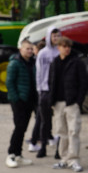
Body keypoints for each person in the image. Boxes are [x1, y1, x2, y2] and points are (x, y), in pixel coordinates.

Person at [48, 37, 88, 172]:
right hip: (58, 102)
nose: (67, 49)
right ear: (58, 47)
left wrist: (78, 101)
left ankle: (74, 159)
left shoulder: (77, 62)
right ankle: (64, 158)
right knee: (61, 131)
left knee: (73, 131)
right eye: (64, 46)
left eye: (68, 46)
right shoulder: (55, 62)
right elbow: (51, 81)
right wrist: (51, 100)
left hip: (72, 102)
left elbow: (83, 83)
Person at [5, 38, 38, 168]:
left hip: (30, 100)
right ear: (21, 49)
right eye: (27, 49)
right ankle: (11, 154)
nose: (30, 51)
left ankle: (18, 155)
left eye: (31, 49)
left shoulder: (32, 62)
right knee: (19, 127)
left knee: (23, 128)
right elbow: (9, 83)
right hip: (19, 101)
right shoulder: (15, 63)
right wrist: (16, 98)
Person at [33, 27, 60, 159]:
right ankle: (43, 146)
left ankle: (59, 149)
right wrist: (40, 89)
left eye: (58, 36)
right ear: (49, 37)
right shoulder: (43, 54)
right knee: (45, 120)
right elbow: (39, 72)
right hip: (45, 89)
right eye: (53, 36)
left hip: (58, 90)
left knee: (60, 121)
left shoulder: (60, 52)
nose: (56, 38)